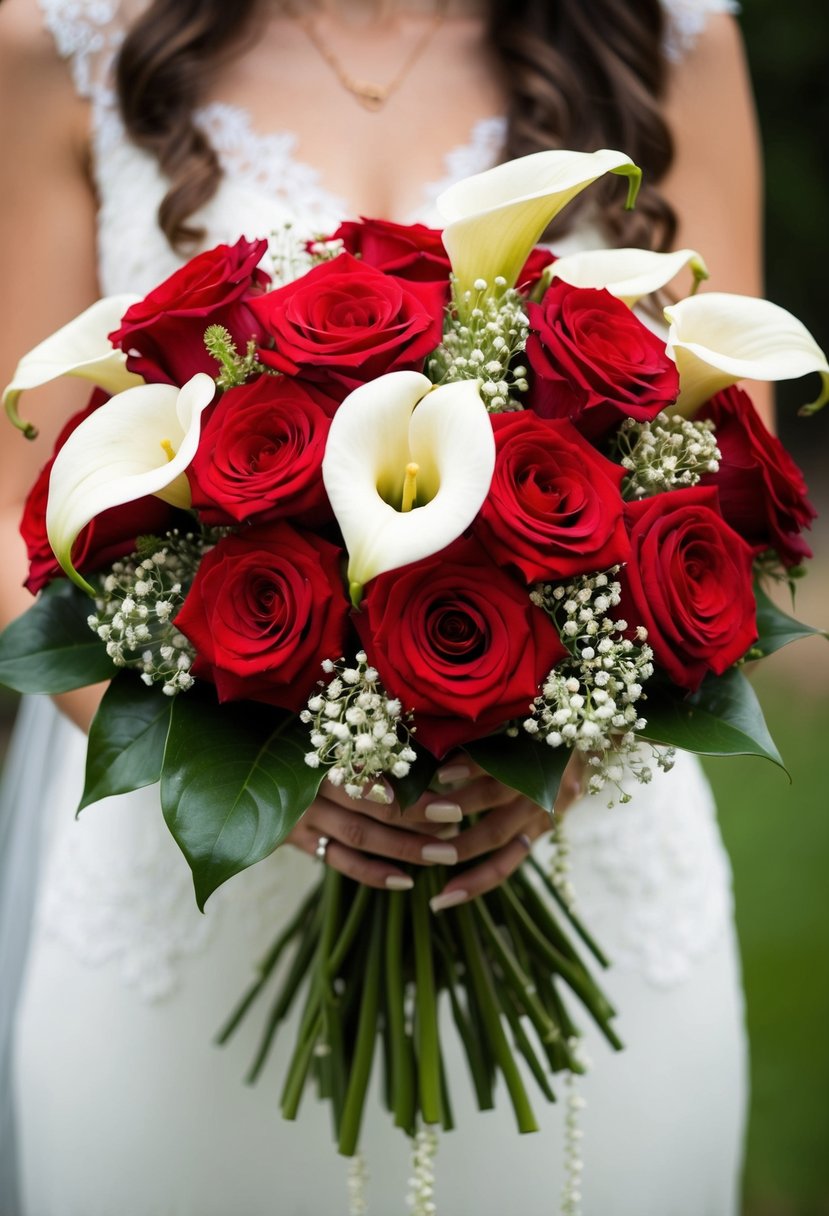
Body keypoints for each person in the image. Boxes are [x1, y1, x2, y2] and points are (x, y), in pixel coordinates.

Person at [0, 0, 765, 1211]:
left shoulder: (666, 34)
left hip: (595, 880)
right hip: (183, 940)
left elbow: (727, 472)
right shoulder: (65, 37)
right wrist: (251, 771)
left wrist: (562, 753)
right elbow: (14, 506)